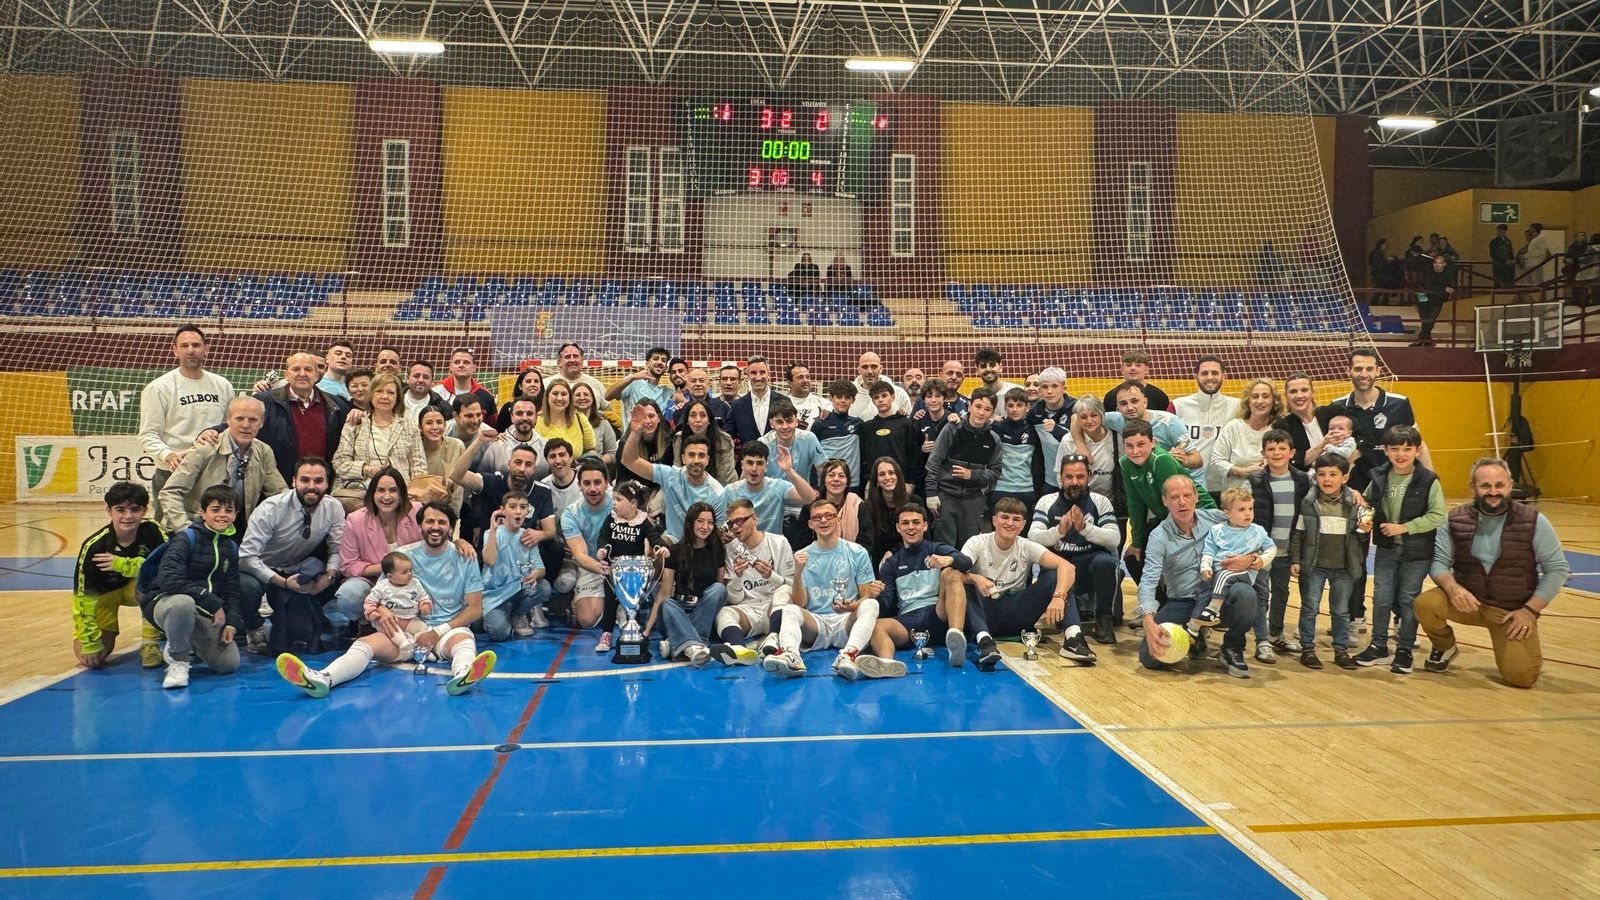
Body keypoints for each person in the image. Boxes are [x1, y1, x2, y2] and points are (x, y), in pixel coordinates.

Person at [276, 502, 498, 698]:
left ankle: (464, 674)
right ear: (420, 526)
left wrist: (437, 631)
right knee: (365, 644)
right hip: (404, 630)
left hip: (446, 630)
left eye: (442, 522)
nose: (435, 527)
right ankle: (323, 678)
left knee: (463, 643)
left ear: (450, 527)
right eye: (429, 521)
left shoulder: (464, 556)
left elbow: (475, 609)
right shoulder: (402, 556)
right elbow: (380, 592)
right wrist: (381, 610)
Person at [1415, 458, 1569, 688]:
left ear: (1510, 485)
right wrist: (1452, 587)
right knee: (1425, 604)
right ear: (1473, 487)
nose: (1493, 492)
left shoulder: (1534, 521)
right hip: (1468, 603)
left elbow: (1557, 569)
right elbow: (1439, 562)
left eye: (1499, 485)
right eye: (1485, 486)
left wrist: (1529, 611)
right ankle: (1444, 646)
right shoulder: (1456, 519)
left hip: (1510, 612)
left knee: (1521, 677)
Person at [1320, 348, 1431, 631]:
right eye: (1358, 369)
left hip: (1396, 495)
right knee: (1354, 551)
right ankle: (1355, 615)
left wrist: (1430, 480)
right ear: (1349, 371)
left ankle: (1400, 615)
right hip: (1359, 497)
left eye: (1369, 369)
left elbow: (1419, 444)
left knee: (1398, 550)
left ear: (1378, 371)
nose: (1364, 374)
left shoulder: (1398, 403)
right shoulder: (1338, 406)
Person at [1135, 475, 1258, 678]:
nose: (1182, 502)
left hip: (1219, 596)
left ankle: (1232, 648)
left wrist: (1251, 558)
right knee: (1151, 657)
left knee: (1245, 593)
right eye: (1174, 497)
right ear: (1165, 501)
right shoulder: (1158, 536)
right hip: (1182, 601)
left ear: (1196, 497)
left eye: (1187, 495)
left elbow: (1254, 535)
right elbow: (1148, 579)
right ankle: (1195, 634)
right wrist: (1148, 621)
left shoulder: (1218, 518)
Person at [762, 498, 892, 680]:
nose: (823, 521)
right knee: (790, 609)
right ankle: (791, 655)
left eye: (828, 516)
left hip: (846, 622)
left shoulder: (857, 552)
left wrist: (851, 606)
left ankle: (849, 656)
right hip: (816, 624)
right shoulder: (802, 555)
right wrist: (798, 573)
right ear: (810, 524)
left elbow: (865, 596)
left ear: (837, 519)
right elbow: (801, 603)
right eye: (817, 518)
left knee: (871, 604)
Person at [1354, 425, 1446, 674]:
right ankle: (1378, 645)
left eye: (1407, 449)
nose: (1401, 454)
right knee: (1382, 597)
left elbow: (1437, 516)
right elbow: (1367, 503)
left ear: (1417, 451)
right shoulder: (1379, 476)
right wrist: (1364, 517)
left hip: (1416, 552)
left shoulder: (1428, 480)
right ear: (1385, 451)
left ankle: (1404, 649)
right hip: (1386, 549)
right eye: (1394, 449)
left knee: (1408, 599)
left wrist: (1404, 528)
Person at [963, 497, 1093, 665]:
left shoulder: (1026, 545)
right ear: (994, 520)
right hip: (986, 612)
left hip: (1017, 612)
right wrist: (974, 577)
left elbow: (1068, 567)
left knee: (1057, 577)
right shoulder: (977, 542)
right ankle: (984, 642)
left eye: (1016, 519)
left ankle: (1073, 639)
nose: (1010, 523)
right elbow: (953, 574)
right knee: (964, 584)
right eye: (1004, 517)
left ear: (1023, 525)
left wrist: (1058, 597)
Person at [237, 456, 346, 655]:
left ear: (328, 484)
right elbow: (247, 557)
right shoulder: (270, 508)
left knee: (332, 573)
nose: (311, 486)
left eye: (318, 481)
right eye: (305, 480)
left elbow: (337, 550)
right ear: (293, 481)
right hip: (260, 569)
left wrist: (329, 577)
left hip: (295, 568)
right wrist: (283, 582)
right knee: (247, 587)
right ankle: (253, 628)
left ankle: (303, 618)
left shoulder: (334, 508)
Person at [141, 485, 244, 689]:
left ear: (235, 514)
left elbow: (232, 588)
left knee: (228, 664)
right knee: (183, 603)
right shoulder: (185, 538)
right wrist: (212, 601)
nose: (222, 515)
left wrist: (232, 623)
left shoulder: (231, 547)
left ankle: (188, 641)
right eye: (215, 510)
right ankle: (177, 659)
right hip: (165, 604)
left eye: (228, 510)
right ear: (202, 512)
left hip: (202, 611)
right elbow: (170, 580)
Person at [138, 325, 235, 523]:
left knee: (211, 530)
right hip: (173, 473)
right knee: (169, 530)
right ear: (175, 350)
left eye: (196, 345)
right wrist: (169, 455)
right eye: (185, 345)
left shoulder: (222, 385)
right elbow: (148, 434)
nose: (191, 349)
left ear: (205, 349)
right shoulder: (158, 388)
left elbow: (229, 427)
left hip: (212, 472)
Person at [71, 482, 167, 670]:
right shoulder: (94, 547)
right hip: (104, 596)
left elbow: (166, 568)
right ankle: (102, 633)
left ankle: (150, 643)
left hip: (138, 589)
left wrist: (122, 565)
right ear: (109, 510)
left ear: (145, 510)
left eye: (135, 509)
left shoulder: (154, 531)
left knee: (153, 583)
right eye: (120, 510)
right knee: (92, 657)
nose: (128, 516)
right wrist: (89, 641)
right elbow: (82, 599)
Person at [1290, 453, 1371, 671]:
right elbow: (1298, 533)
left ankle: (1341, 650)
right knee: (1309, 608)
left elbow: (1362, 536)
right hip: (1314, 565)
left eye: (1333, 474)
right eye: (1322, 474)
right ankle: (1307, 648)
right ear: (1315, 477)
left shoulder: (1356, 503)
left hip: (1344, 567)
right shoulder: (1308, 502)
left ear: (1345, 478)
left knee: (1341, 611)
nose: (1327, 479)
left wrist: (1364, 531)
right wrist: (1296, 559)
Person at [160, 395, 285, 535]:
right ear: (228, 420)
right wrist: (185, 530)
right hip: (197, 528)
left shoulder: (264, 451)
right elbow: (170, 492)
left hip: (237, 530)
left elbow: (280, 495)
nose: (245, 425)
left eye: (253, 420)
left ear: (261, 422)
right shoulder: (205, 449)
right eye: (239, 418)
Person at [866, 504, 971, 670]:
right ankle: (888, 664)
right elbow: (886, 604)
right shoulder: (891, 564)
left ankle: (956, 637)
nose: (911, 527)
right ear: (898, 528)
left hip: (939, 612)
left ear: (925, 525)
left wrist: (949, 560)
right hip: (907, 620)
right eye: (905, 523)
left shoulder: (936, 548)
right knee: (876, 625)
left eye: (916, 522)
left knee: (951, 573)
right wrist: (875, 595)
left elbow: (966, 561)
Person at [1029, 454, 1121, 644]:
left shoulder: (1100, 501)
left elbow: (1114, 539)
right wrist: (1058, 531)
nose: (1075, 482)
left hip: (1089, 568)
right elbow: (1033, 538)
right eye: (1069, 477)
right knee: (1056, 576)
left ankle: (1104, 620)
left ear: (1088, 476)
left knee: (1107, 562)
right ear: (1060, 478)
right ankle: (1068, 619)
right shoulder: (1046, 502)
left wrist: (1085, 529)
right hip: (1059, 571)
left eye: (1080, 476)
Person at [708, 498, 796, 665]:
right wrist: (738, 577)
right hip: (749, 610)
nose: (735, 527)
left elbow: (794, 588)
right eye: (731, 523)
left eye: (740, 520)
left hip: (774, 607)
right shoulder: (730, 549)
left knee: (784, 591)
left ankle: (773, 638)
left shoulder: (779, 542)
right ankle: (740, 649)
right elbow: (735, 600)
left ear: (754, 518)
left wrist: (771, 576)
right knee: (724, 613)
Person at [1122, 418, 1214, 572]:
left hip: (1199, 515)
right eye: (1129, 446)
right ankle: (1156, 596)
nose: (1135, 451)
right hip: (1169, 517)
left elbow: (1177, 503)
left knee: (1174, 561)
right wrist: (1136, 543)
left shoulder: (1161, 460)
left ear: (1153, 442)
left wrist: (1172, 543)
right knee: (1134, 558)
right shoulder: (1125, 464)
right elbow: (1135, 503)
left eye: (1141, 444)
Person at [1249, 429, 1311, 655]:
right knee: (1261, 595)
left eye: (1282, 448)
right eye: (1271, 449)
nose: (1276, 453)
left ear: (1292, 452)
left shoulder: (1303, 480)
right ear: (1263, 452)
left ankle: (1276, 633)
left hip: (1287, 551)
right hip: (1263, 551)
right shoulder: (1255, 480)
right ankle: (1261, 639)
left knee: (1282, 593)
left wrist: (1353, 492)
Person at [248, 351, 351, 485]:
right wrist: (214, 431)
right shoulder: (263, 402)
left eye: (308, 369)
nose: (302, 374)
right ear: (286, 374)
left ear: (317, 375)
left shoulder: (338, 406)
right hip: (274, 486)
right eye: (296, 369)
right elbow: (238, 425)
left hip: (320, 487)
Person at [644, 502, 728, 667]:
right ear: (690, 522)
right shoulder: (674, 551)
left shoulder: (717, 550)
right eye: (700, 521)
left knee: (719, 589)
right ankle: (697, 644)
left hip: (704, 613)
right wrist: (647, 631)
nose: (706, 526)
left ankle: (683, 645)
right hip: (677, 613)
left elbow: (718, 594)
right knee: (667, 604)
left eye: (710, 522)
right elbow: (665, 593)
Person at [331, 372, 427, 509]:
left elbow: (419, 467)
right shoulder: (355, 423)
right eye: (379, 391)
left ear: (397, 397)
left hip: (399, 492)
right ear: (371, 395)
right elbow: (339, 463)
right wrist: (367, 469)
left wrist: (414, 492)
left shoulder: (409, 426)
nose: (385, 396)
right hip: (359, 492)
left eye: (391, 392)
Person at [624, 413, 729, 536]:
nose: (696, 460)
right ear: (683, 458)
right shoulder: (670, 476)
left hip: (702, 545)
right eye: (691, 455)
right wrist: (635, 432)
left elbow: (716, 534)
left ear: (707, 460)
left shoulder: (718, 493)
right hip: (671, 541)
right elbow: (630, 461)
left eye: (701, 456)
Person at [590, 481, 665, 654]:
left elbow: (654, 538)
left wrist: (660, 548)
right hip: (613, 570)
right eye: (614, 499)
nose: (614, 503)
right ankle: (606, 634)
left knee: (634, 603)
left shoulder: (643, 521)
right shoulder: (611, 518)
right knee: (610, 601)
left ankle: (633, 632)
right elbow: (603, 537)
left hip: (635, 571)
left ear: (633, 503)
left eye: (619, 499)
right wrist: (602, 550)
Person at [446, 437, 557, 549]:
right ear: (509, 464)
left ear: (534, 469)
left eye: (528, 464)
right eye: (517, 462)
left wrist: (540, 534)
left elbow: (551, 531)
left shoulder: (542, 491)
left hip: (521, 550)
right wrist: (478, 441)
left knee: (554, 548)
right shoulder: (490, 481)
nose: (522, 469)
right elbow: (456, 475)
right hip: (490, 550)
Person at [926, 388, 1001, 549]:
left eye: (987, 409)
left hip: (974, 501)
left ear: (992, 413)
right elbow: (934, 462)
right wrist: (931, 494)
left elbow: (995, 472)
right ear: (969, 407)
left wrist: (972, 475)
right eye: (978, 406)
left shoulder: (994, 440)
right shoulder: (952, 429)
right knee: (944, 549)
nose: (981, 412)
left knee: (970, 550)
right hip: (945, 498)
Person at [1194, 487, 1275, 635]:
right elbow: (1208, 551)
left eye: (1250, 508)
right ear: (1227, 512)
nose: (1248, 513)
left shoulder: (1258, 531)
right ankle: (1195, 628)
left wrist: (1262, 560)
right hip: (1218, 573)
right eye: (1242, 509)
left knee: (1226, 575)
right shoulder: (1217, 530)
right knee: (1203, 588)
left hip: (1244, 573)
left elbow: (1271, 548)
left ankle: (1213, 609)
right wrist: (1205, 567)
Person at [479, 490, 551, 641]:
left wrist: (534, 574)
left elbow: (541, 568)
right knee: (499, 634)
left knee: (543, 587)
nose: (518, 511)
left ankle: (518, 615)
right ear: (503, 510)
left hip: (517, 590)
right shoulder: (491, 533)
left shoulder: (527, 535)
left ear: (527, 511)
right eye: (512, 507)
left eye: (523, 507)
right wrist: (493, 529)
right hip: (495, 595)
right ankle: (501, 615)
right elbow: (489, 560)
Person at [559, 460, 614, 632]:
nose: (593, 489)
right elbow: (580, 555)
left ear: (607, 483)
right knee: (587, 620)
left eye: (597, 482)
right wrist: (603, 569)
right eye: (587, 483)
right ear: (579, 486)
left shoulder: (619, 504)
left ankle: (616, 601)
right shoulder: (570, 514)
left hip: (620, 564)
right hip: (591, 566)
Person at [1174, 356, 1241, 491]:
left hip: (1227, 487)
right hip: (1189, 487)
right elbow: (1169, 442)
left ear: (1224, 376)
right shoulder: (1178, 406)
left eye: (1215, 373)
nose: (1210, 377)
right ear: (1196, 376)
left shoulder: (1238, 406)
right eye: (1204, 373)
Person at [1207, 379, 1283, 493]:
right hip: (1234, 499)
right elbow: (1216, 460)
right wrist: (1243, 471)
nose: (1260, 401)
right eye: (1255, 396)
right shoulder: (1233, 427)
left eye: (1266, 396)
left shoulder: (1280, 429)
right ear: (1248, 401)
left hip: (1271, 496)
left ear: (1274, 401)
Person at [725, 441, 817, 535]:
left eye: (760, 463)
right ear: (742, 465)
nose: (754, 468)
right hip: (741, 545)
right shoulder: (730, 491)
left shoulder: (778, 486)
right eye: (750, 463)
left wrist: (789, 470)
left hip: (773, 545)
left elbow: (810, 498)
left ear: (766, 467)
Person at [1101, 381, 1199, 469]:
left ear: (1145, 402)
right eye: (1123, 403)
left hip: (1186, 482)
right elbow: (1089, 419)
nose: (1130, 407)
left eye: (1134, 401)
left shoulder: (1169, 422)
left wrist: (1184, 459)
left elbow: (1196, 458)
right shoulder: (1114, 420)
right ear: (1117, 408)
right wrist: (1084, 444)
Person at [858, 380, 925, 494]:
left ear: (893, 397)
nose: (881, 400)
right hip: (875, 484)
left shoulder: (906, 424)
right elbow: (864, 458)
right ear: (873, 401)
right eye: (876, 397)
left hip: (902, 482)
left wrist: (912, 483)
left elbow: (914, 456)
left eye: (884, 395)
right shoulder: (866, 427)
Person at [361, 552, 432, 656]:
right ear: (390, 576)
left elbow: (423, 596)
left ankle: (422, 650)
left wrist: (425, 605)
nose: (409, 574)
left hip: (410, 619)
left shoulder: (415, 583)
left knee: (423, 629)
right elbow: (370, 600)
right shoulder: (382, 586)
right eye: (404, 572)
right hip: (390, 621)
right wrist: (372, 612)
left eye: (410, 570)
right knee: (392, 632)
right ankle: (404, 644)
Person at [990, 388, 1046, 512]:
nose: (1015, 409)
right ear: (1005, 407)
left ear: (1027, 407)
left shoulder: (1034, 430)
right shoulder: (995, 428)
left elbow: (1038, 464)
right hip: (999, 489)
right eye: (1010, 405)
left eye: (1019, 405)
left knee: (1024, 531)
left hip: (1026, 490)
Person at [1027, 367, 1075, 491]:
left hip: (1074, 477)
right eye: (1044, 387)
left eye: (1054, 386)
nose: (1049, 391)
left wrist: (1056, 430)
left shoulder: (1076, 409)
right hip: (1049, 480)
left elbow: (1078, 442)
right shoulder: (1035, 413)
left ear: (1064, 388)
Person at [670, 398, 737, 485]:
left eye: (703, 415)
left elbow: (726, 478)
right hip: (687, 488)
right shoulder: (679, 438)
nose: (698, 420)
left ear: (709, 420)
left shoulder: (723, 440)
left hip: (719, 488)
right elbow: (678, 472)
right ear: (687, 421)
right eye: (693, 415)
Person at [477, 397, 548, 478]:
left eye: (529, 413)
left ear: (536, 417)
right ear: (512, 417)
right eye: (519, 413)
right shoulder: (496, 446)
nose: (524, 418)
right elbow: (482, 479)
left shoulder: (545, 447)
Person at [1063, 396, 1117, 497]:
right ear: (1078, 419)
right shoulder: (1067, 441)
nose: (1089, 420)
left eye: (1094, 415)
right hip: (1079, 499)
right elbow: (1060, 475)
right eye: (1083, 417)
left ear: (1101, 416)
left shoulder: (1117, 438)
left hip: (1112, 500)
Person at [812, 381, 863, 486]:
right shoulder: (820, 424)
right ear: (831, 398)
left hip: (852, 483)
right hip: (826, 482)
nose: (843, 401)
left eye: (847, 397)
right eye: (839, 397)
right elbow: (812, 455)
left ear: (853, 400)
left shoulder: (858, 424)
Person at [606, 348, 672, 427]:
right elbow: (607, 396)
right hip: (631, 437)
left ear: (666, 368)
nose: (660, 362)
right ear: (647, 363)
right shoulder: (633, 383)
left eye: (663, 360)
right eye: (655, 359)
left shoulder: (667, 392)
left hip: (655, 438)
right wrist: (632, 377)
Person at [418, 407, 466, 514]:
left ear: (445, 425)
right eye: (429, 423)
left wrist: (451, 516)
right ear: (420, 427)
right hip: (419, 511)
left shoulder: (456, 446)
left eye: (439, 422)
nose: (435, 427)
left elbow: (458, 490)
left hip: (449, 511)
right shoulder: (414, 449)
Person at [545, 343, 613, 415]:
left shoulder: (596, 384)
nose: (572, 360)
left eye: (575, 356)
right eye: (567, 357)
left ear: (582, 361)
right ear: (559, 362)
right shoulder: (546, 384)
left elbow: (607, 412)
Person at [536, 380, 596, 458]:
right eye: (555, 393)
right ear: (547, 396)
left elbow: (591, 450)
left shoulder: (581, 419)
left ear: (570, 398)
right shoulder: (535, 420)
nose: (559, 398)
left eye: (564, 394)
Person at [728, 355, 777, 446]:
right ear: (748, 376)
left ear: (769, 374)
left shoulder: (782, 401)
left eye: (762, 372)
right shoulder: (737, 406)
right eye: (754, 373)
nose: (758, 378)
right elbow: (727, 436)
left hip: (777, 459)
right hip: (748, 459)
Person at [1102, 349, 1171, 413]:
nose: (1132, 368)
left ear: (1146, 370)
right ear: (1122, 369)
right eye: (1128, 365)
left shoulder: (1159, 396)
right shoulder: (1111, 396)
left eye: (1138, 365)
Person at [848, 352, 911, 420]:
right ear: (859, 370)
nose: (870, 371)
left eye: (874, 366)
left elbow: (908, 422)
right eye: (865, 367)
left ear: (880, 369)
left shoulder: (899, 394)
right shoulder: (848, 394)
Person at [434, 347, 496, 415]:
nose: (461, 365)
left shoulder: (485, 395)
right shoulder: (436, 392)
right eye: (457, 362)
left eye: (466, 362)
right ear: (450, 366)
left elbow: (493, 424)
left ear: (474, 368)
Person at [1411, 254, 1453, 347]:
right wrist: (1444, 288)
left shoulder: (1448, 274)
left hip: (1437, 299)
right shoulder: (1427, 272)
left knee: (1430, 319)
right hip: (1423, 297)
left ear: (1444, 264)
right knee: (1425, 319)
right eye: (1435, 262)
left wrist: (1445, 290)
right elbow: (1428, 285)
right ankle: (1425, 339)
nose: (1437, 265)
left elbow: (1451, 287)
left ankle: (1423, 339)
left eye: (1440, 263)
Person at [572, 383, 618, 468]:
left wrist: (594, 463)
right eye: (578, 395)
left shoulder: (603, 423)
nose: (582, 398)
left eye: (586, 394)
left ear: (592, 398)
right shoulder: (566, 423)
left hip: (596, 470)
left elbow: (612, 453)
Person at [495, 366, 547, 431]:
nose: (533, 384)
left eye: (536, 381)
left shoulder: (547, 408)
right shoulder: (507, 408)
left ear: (541, 386)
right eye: (528, 381)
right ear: (520, 386)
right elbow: (498, 432)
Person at [784, 364, 829, 428]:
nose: (805, 380)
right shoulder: (782, 405)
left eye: (807, 377)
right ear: (789, 382)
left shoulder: (824, 404)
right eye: (800, 377)